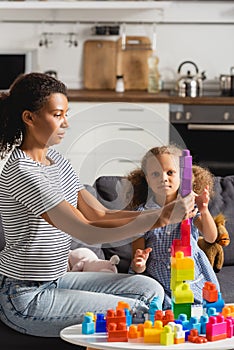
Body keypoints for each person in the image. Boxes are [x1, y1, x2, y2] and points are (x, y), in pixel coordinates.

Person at [0, 73, 195, 338]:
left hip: (57, 280)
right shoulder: (23, 172)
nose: (66, 123)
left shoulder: (56, 159)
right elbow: (86, 230)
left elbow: (99, 213)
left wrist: (161, 213)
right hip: (25, 295)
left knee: (150, 290)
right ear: (29, 117)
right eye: (58, 115)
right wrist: (159, 219)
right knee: (139, 311)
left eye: (66, 114)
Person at [128, 145, 220, 310]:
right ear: (147, 179)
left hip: (191, 280)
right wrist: (139, 263)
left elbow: (211, 237)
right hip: (160, 283)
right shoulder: (142, 215)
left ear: (183, 177)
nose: (163, 178)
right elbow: (138, 258)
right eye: (155, 174)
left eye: (170, 172)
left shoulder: (190, 207)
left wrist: (204, 211)